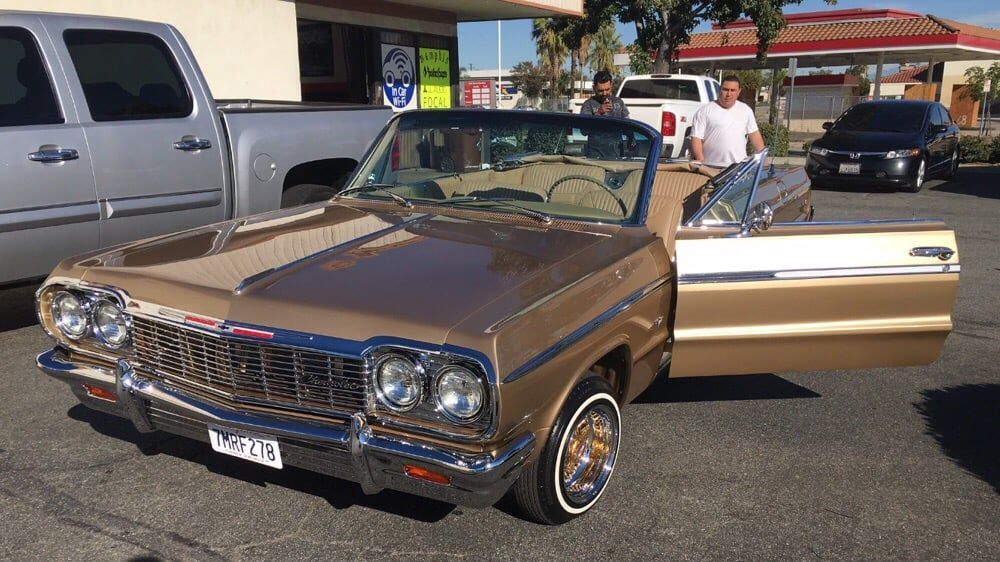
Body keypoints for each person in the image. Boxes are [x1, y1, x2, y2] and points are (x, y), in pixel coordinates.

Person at [690, 75, 764, 168]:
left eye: (733, 90)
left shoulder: (746, 110)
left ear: (739, 92)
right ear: (720, 90)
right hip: (711, 167)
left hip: (737, 169)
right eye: (725, 89)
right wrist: (701, 162)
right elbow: (696, 138)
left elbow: (754, 135)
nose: (728, 94)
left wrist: (763, 160)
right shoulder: (704, 111)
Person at [579, 71, 630, 159]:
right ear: (594, 88)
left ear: (611, 86)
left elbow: (628, 124)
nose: (605, 93)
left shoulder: (618, 102)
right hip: (595, 155)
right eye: (600, 91)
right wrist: (599, 113)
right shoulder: (588, 105)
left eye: (607, 89)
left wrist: (631, 137)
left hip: (617, 154)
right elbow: (584, 131)